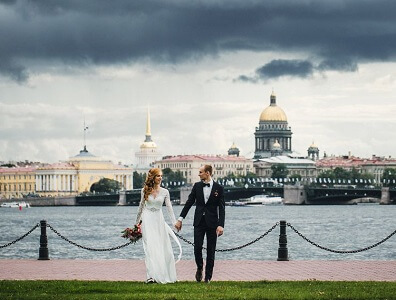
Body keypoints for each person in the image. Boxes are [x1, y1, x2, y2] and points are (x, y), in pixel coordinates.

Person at [175, 165, 225, 283]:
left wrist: (221, 225)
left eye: (201, 172)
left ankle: (208, 277)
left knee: (211, 250)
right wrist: (180, 219)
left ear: (208, 173)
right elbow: (189, 203)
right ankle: (199, 267)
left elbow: (222, 208)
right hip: (198, 222)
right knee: (197, 248)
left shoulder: (219, 188)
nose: (199, 174)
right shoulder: (197, 186)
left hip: (213, 223)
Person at [135, 168, 181, 284]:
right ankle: (150, 276)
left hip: (159, 220)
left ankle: (164, 274)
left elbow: (169, 208)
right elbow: (141, 207)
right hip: (147, 219)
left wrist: (174, 222)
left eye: (161, 176)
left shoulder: (165, 192)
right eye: (158, 176)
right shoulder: (144, 191)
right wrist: (136, 224)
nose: (160, 178)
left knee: (162, 247)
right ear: (153, 178)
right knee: (149, 248)